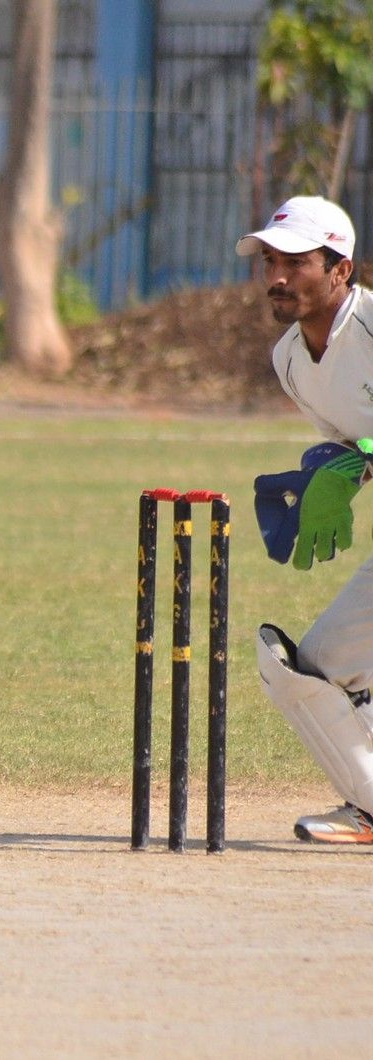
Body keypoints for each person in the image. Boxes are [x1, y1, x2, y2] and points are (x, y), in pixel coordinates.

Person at [241, 195, 373, 845]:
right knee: (323, 664)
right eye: (271, 261)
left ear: (341, 269)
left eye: (295, 263)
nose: (277, 277)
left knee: (325, 663)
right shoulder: (289, 360)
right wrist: (332, 472)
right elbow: (352, 443)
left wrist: (359, 460)